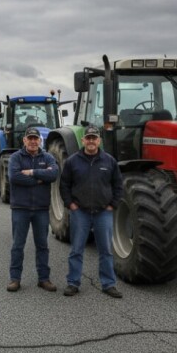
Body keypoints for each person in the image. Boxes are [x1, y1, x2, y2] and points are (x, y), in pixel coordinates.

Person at [59, 125, 124, 298]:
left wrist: (112, 205)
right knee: (76, 250)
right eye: (88, 138)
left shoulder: (109, 161)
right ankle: (73, 282)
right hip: (80, 212)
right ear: (83, 140)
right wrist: (70, 204)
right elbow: (64, 185)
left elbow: (118, 185)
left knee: (106, 250)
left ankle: (108, 284)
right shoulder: (72, 161)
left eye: (94, 138)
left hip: (103, 212)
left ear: (99, 140)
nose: (91, 141)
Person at [7, 127, 59, 292]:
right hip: (20, 208)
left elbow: (53, 174)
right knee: (18, 245)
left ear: (40, 140)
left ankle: (44, 279)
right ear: (24, 140)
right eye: (30, 138)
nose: (33, 141)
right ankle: (15, 279)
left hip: (41, 209)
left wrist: (32, 172)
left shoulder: (48, 157)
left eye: (35, 139)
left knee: (42, 245)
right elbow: (14, 176)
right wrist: (39, 180)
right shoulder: (16, 157)